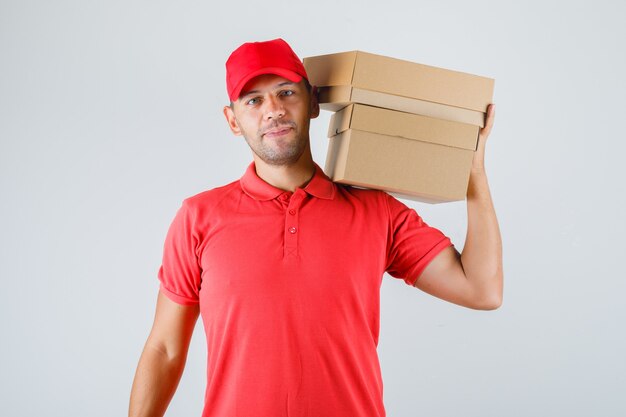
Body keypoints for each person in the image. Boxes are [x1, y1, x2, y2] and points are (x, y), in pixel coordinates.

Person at [128, 38, 502, 417]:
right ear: (232, 120)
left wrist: (473, 174)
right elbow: (165, 349)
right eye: (253, 100)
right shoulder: (198, 217)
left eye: (286, 93)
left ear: (313, 103)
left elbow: (482, 289)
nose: (272, 110)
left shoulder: (375, 210)